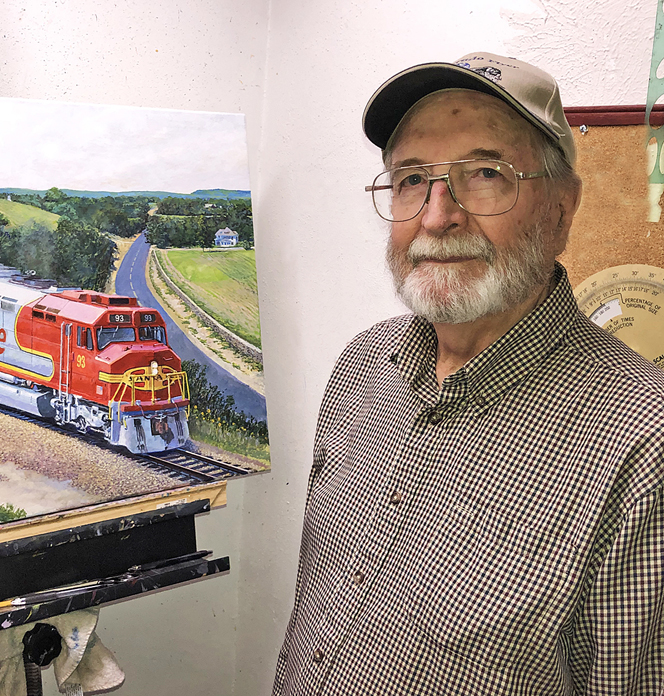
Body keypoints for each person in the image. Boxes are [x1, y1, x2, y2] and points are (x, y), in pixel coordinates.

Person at [274, 52, 664, 694]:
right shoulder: (358, 372)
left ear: (563, 209)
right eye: (410, 179)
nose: (436, 216)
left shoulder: (641, 442)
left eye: (484, 174)